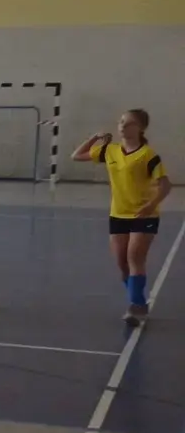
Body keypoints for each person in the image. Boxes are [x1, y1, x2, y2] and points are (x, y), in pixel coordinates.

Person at [73, 109, 172, 323]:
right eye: (121, 122)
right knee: (122, 264)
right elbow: (76, 156)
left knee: (134, 258)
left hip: (144, 215)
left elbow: (165, 186)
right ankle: (139, 302)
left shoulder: (148, 155)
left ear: (140, 128)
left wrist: (151, 205)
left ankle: (135, 308)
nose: (122, 126)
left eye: (129, 123)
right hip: (118, 214)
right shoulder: (110, 150)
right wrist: (94, 138)